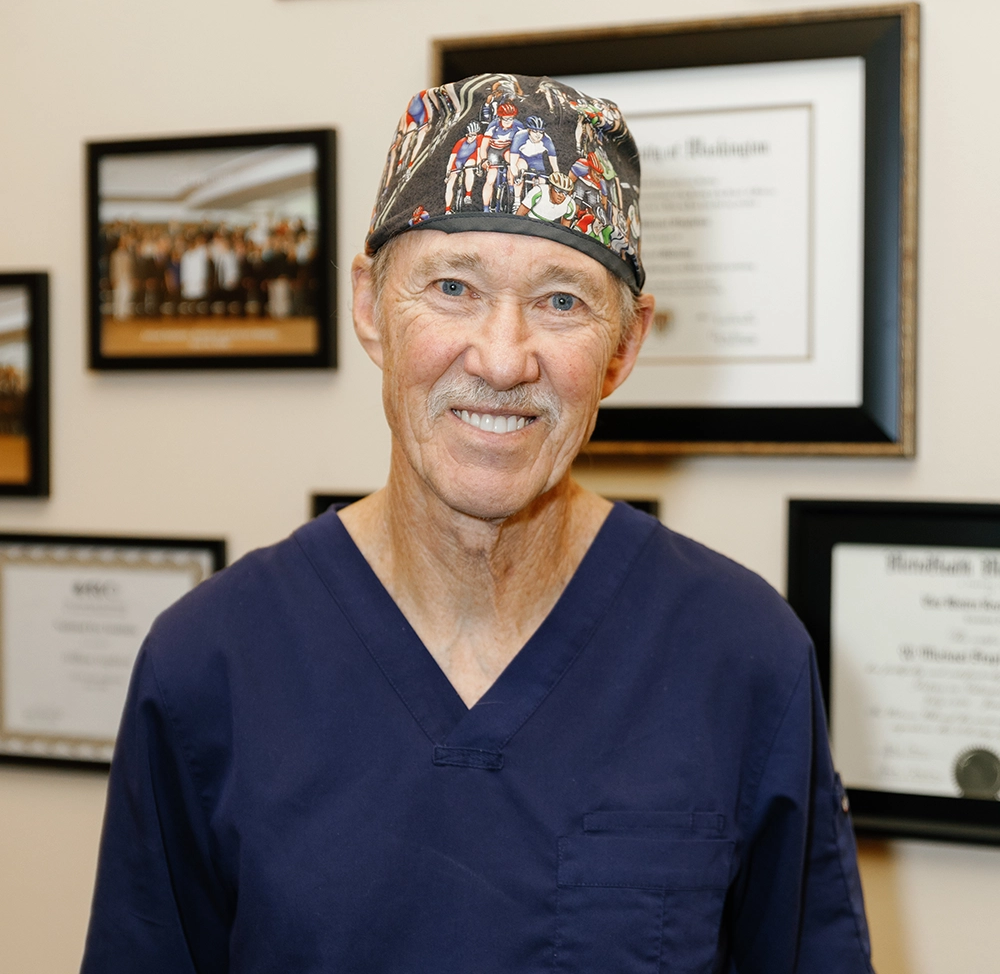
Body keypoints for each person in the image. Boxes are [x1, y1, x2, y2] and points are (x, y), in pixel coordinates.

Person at [81, 73, 874, 974]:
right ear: (371, 307)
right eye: (453, 286)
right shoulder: (209, 663)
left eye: (561, 301)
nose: (501, 359)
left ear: (624, 344)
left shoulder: (741, 655)